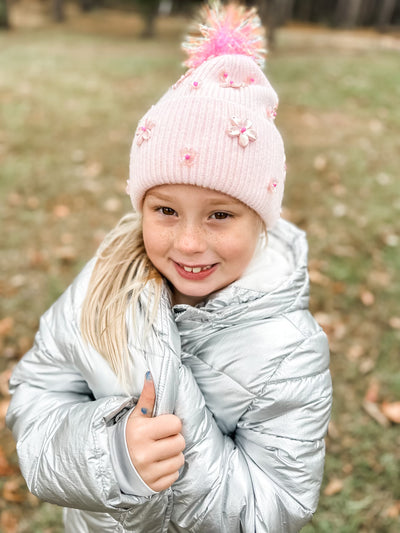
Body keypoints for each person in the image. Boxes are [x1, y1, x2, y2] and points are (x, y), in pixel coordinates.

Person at [6, 2, 332, 532]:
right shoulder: (104, 280)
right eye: (165, 210)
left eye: (220, 215)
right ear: (140, 206)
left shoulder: (290, 352)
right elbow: (38, 390)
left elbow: (276, 507)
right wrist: (108, 454)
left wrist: (178, 454)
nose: (187, 242)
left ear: (262, 222)